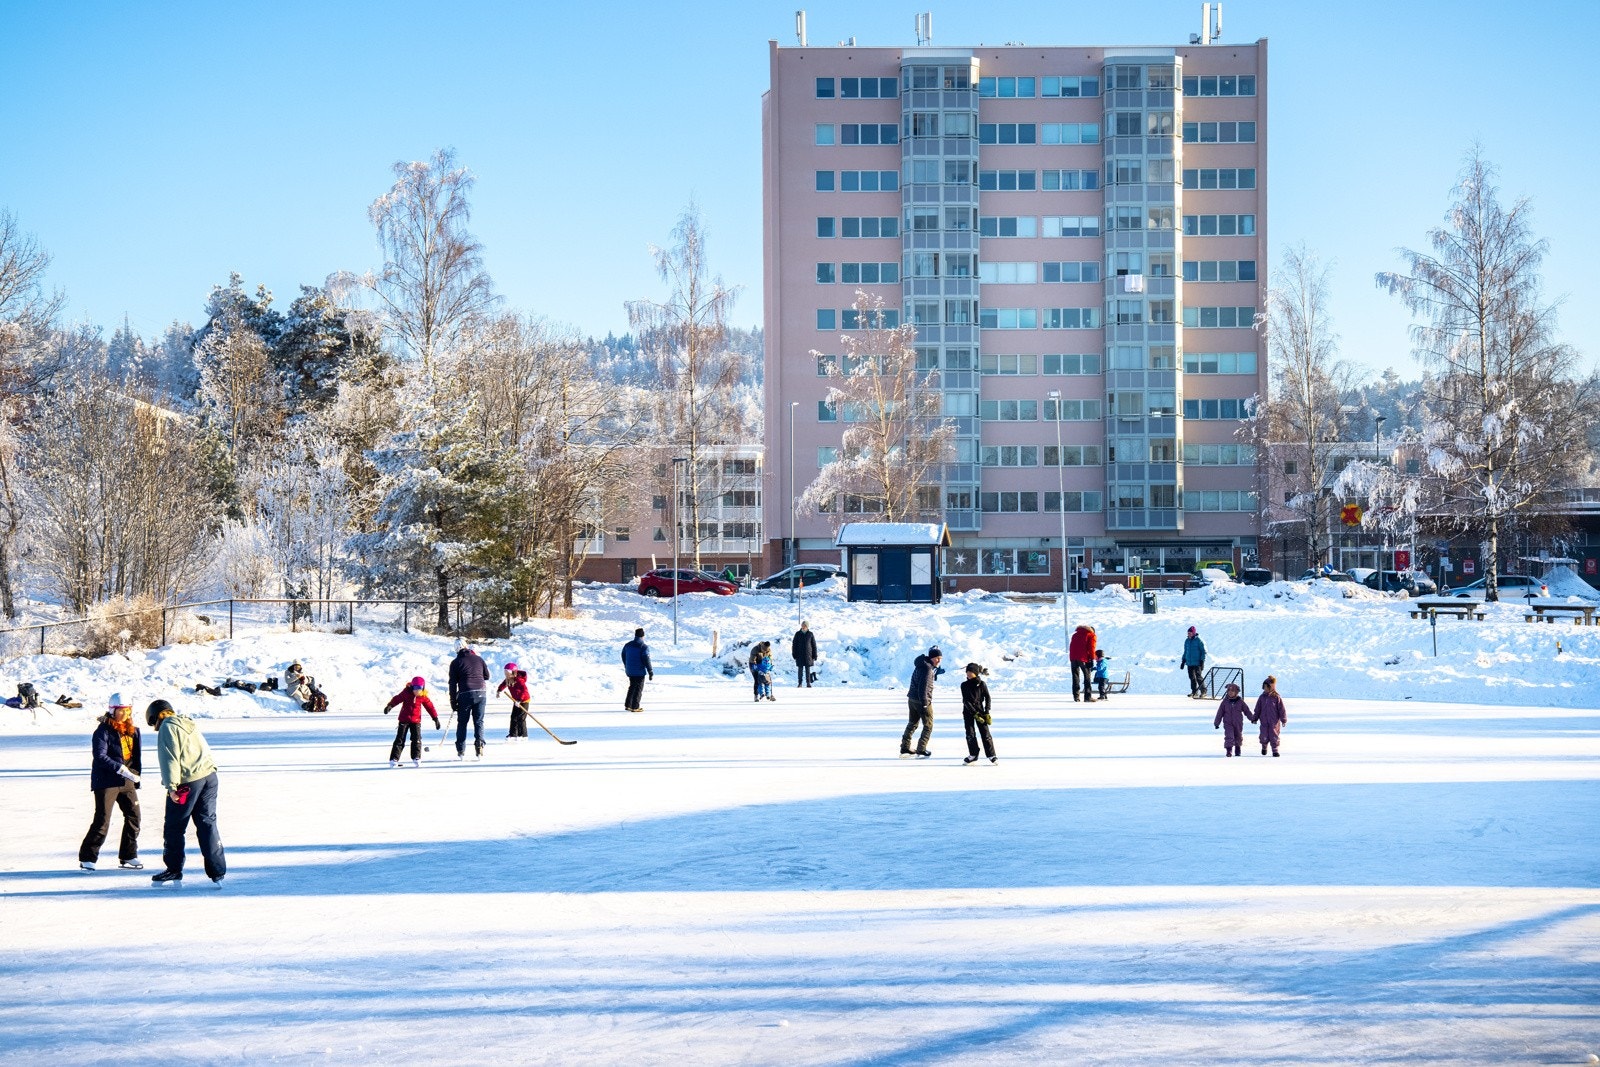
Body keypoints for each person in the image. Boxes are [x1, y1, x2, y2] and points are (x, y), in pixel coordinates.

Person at [146, 699, 225, 886]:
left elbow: (170, 758)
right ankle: (217, 871)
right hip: (209, 777)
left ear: (156, 717)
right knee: (207, 824)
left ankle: (174, 869)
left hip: (189, 782)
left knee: (174, 826)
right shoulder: (187, 722)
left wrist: (172, 787)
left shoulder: (167, 727)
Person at [78, 692, 143, 872]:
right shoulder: (103, 731)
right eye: (120, 711)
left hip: (127, 780)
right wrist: (121, 769)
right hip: (106, 781)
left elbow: (136, 757)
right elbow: (100, 756)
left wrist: (135, 774)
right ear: (112, 710)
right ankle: (87, 857)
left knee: (134, 816)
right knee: (102, 819)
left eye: (127, 710)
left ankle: (129, 855)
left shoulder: (133, 730)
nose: (124, 714)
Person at [384, 676, 441, 766]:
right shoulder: (406, 692)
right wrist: (390, 706)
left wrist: (435, 718)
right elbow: (397, 698)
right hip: (404, 719)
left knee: (416, 739)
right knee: (400, 739)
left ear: (423, 688)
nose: (417, 691)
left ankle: (416, 757)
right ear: (412, 687)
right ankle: (394, 759)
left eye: (419, 688)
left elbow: (430, 707)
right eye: (415, 688)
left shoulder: (423, 696)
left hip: (416, 721)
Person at [899, 646, 944, 758]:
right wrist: (925, 703)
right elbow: (923, 688)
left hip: (912, 699)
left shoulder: (922, 665)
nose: (939, 660)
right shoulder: (928, 669)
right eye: (937, 658)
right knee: (928, 725)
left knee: (912, 723)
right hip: (921, 700)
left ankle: (905, 747)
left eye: (940, 658)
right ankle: (921, 749)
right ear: (932, 658)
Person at [448, 644, 491, 759]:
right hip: (481, 693)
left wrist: (453, 700)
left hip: (465, 693)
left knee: (462, 722)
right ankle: (479, 746)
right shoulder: (479, 659)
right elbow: (487, 676)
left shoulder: (456, 662)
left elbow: (452, 683)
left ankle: (461, 750)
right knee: (479, 721)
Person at [960, 663, 997, 765]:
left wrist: (987, 711)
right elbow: (966, 701)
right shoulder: (964, 685)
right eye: (967, 672)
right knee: (970, 734)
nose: (968, 674)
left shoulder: (982, 684)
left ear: (975, 673)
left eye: (970, 672)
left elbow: (987, 697)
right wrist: (974, 713)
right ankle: (973, 754)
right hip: (968, 712)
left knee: (985, 734)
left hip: (981, 711)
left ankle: (991, 755)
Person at [1251, 675, 1288, 756]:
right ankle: (1264, 746)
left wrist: (1283, 720)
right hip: (1264, 721)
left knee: (1274, 735)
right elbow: (1257, 709)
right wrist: (1255, 718)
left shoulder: (1276, 697)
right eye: (1264, 687)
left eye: (1266, 687)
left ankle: (1275, 750)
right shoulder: (1261, 697)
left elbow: (1282, 709)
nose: (1265, 689)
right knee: (1264, 735)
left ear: (1271, 687)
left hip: (1274, 722)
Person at [1212, 681, 1250, 757]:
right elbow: (1220, 713)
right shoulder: (1225, 702)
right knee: (1229, 736)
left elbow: (1247, 711)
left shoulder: (1240, 702)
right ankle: (1229, 750)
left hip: (1238, 723)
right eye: (1228, 691)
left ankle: (1237, 748)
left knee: (1238, 735)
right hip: (1228, 723)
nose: (1230, 692)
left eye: (1232, 691)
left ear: (1236, 692)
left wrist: (1252, 718)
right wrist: (1217, 723)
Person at [621, 627, 652, 713]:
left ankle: (628, 705)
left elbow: (623, 655)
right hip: (639, 671)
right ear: (643, 636)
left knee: (632, 686)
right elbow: (646, 659)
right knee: (638, 688)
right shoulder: (643, 647)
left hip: (630, 670)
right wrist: (650, 671)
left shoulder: (627, 645)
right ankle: (635, 706)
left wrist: (626, 665)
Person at [497, 662, 531, 739]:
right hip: (516, 701)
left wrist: (520, 700)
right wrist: (499, 690)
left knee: (521, 718)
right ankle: (513, 734)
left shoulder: (519, 680)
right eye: (505, 672)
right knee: (513, 717)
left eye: (507, 672)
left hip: (524, 700)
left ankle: (523, 735)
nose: (506, 674)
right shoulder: (508, 679)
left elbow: (524, 690)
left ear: (513, 672)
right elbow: (503, 684)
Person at [1068, 624, 1098, 702]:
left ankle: (1076, 697)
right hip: (1084, 658)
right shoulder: (1091, 635)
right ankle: (1087, 697)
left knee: (1075, 677)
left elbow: (1071, 646)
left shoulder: (1075, 635)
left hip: (1073, 658)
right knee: (1087, 677)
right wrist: (1092, 658)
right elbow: (1091, 648)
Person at [1180, 626, 1207, 698]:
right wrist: (1183, 661)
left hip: (1197, 663)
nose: (1189, 634)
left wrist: (1202, 661)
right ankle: (1194, 692)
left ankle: (1203, 692)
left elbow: (1203, 651)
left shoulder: (1198, 640)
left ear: (1194, 633)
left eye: (1190, 633)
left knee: (1198, 677)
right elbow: (1186, 651)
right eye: (1188, 633)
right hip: (1189, 663)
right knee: (1192, 677)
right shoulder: (1187, 641)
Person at [791, 620, 818, 688]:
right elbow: (794, 644)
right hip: (799, 654)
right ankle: (800, 683)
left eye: (804, 626)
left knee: (807, 670)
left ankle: (808, 683)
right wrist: (794, 653)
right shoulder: (797, 634)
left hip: (808, 655)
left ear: (807, 626)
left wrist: (815, 655)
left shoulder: (810, 634)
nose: (803, 627)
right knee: (800, 669)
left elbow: (814, 645)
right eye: (802, 626)